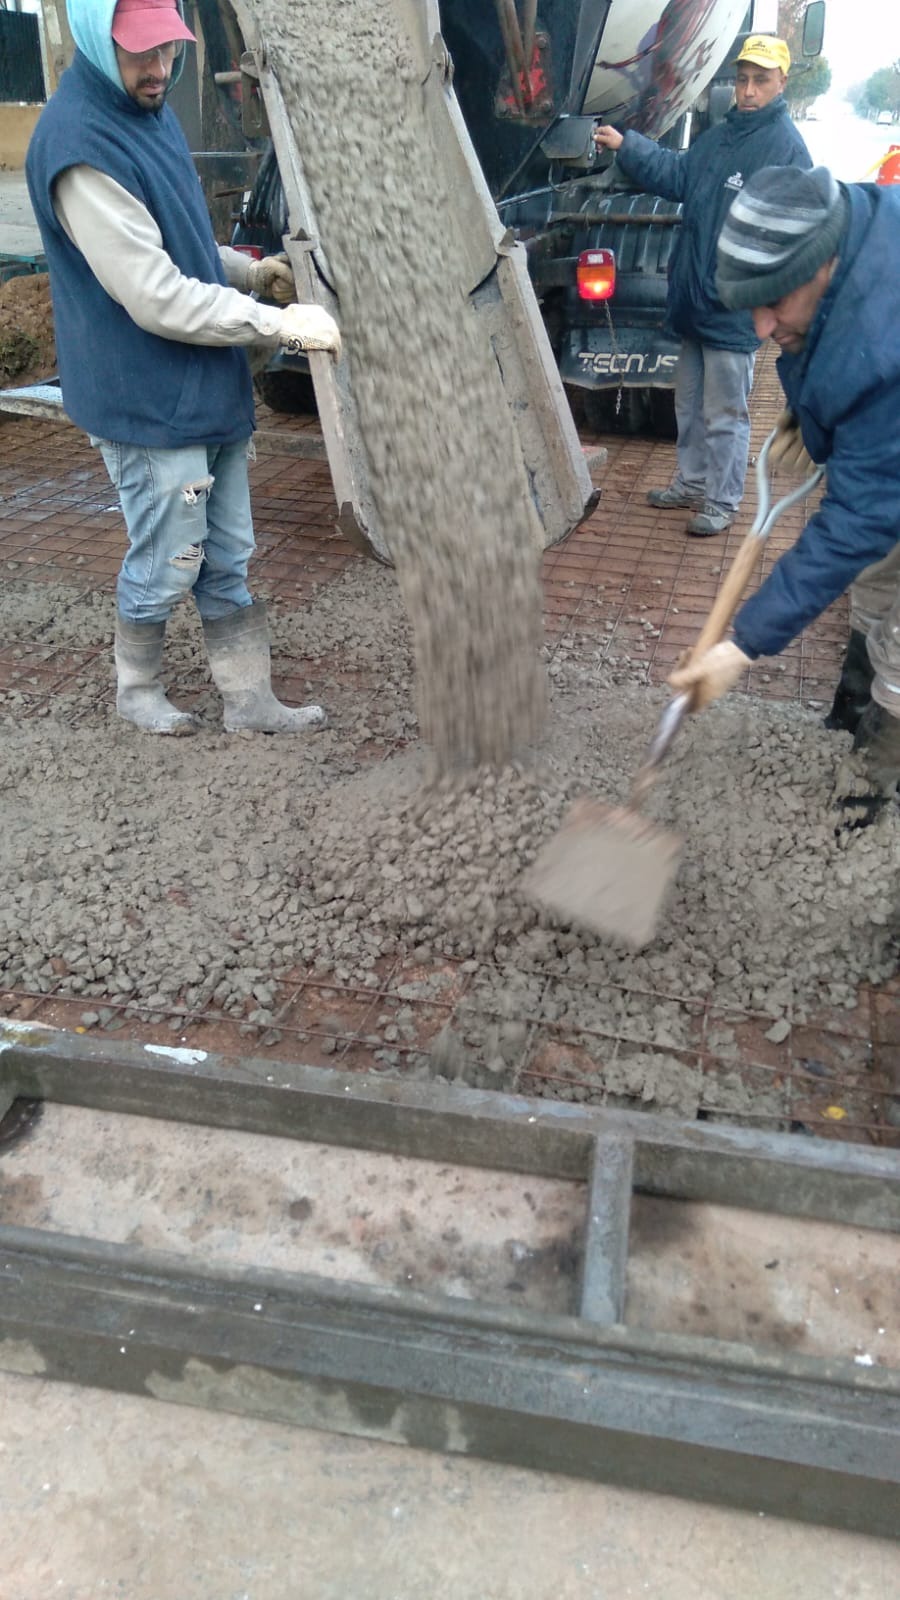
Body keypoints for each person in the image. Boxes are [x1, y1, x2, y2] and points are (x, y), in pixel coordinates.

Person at [26, 0, 341, 736]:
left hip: (202, 381)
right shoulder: (79, 146)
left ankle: (248, 700)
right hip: (142, 391)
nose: (160, 68)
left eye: (169, 49)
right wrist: (280, 325)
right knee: (170, 552)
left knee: (228, 549)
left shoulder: (150, 110)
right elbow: (155, 294)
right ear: (96, 41)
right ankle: (137, 690)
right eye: (141, 52)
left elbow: (179, 244)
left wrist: (245, 273)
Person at [668, 164, 900, 799]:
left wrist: (744, 644)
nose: (763, 330)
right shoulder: (852, 227)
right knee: (876, 580)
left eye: (775, 303)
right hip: (885, 429)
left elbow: (860, 518)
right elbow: (824, 342)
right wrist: (815, 417)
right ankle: (849, 719)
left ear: (822, 265)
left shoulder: (882, 344)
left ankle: (871, 788)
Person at [593, 34, 810, 537]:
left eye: (760, 80)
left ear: (781, 83)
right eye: (742, 80)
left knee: (726, 413)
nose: (748, 90)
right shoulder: (720, 136)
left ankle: (722, 500)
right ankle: (690, 484)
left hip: (733, 310)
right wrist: (630, 146)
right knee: (687, 405)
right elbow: (677, 172)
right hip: (694, 304)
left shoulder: (787, 150)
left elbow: (793, 235)